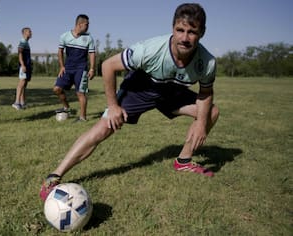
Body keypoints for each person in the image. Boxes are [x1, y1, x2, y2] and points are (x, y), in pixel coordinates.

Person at [40, 3, 220, 201]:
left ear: (202, 32)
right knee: (103, 128)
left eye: (192, 32)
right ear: (173, 29)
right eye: (180, 30)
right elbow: (108, 66)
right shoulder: (150, 50)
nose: (185, 38)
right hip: (140, 87)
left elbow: (206, 92)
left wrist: (202, 123)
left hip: (170, 92)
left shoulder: (207, 62)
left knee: (211, 112)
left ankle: (184, 161)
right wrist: (113, 106)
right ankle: (55, 175)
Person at [53, 14, 96, 122]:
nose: (88, 26)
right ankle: (66, 107)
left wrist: (92, 68)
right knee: (57, 89)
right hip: (67, 68)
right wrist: (62, 66)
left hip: (81, 70)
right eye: (87, 24)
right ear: (80, 24)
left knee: (80, 93)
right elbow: (60, 51)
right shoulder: (64, 36)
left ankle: (82, 117)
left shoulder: (89, 38)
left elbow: (92, 54)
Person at [12, 27, 33, 110]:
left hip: (27, 66)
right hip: (24, 66)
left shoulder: (26, 42)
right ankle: (16, 102)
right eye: (29, 31)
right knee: (22, 83)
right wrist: (23, 65)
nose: (31, 33)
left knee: (24, 84)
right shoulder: (22, 41)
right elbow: (20, 53)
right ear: (24, 33)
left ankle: (22, 103)